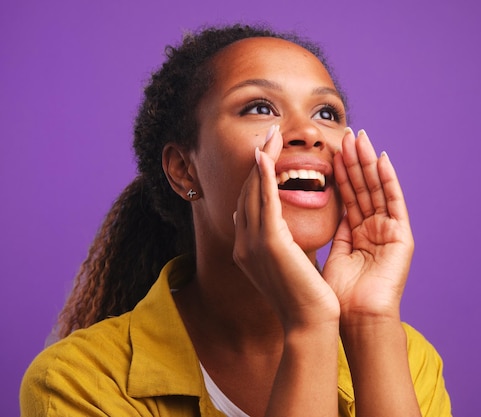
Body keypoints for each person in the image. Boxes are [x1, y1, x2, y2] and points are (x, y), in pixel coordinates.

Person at [20, 24, 452, 416]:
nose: (310, 132)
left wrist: (371, 322)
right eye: (260, 108)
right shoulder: (75, 383)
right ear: (183, 169)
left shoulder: (408, 359)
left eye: (327, 113)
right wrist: (309, 327)